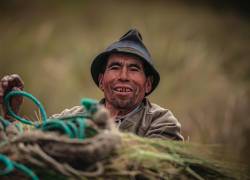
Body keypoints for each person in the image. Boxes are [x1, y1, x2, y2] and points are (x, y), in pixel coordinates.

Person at [0, 29, 184, 141]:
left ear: (148, 85)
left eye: (134, 69)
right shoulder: (71, 118)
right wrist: (10, 115)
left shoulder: (161, 122)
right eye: (115, 67)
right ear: (101, 81)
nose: (123, 76)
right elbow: (29, 145)